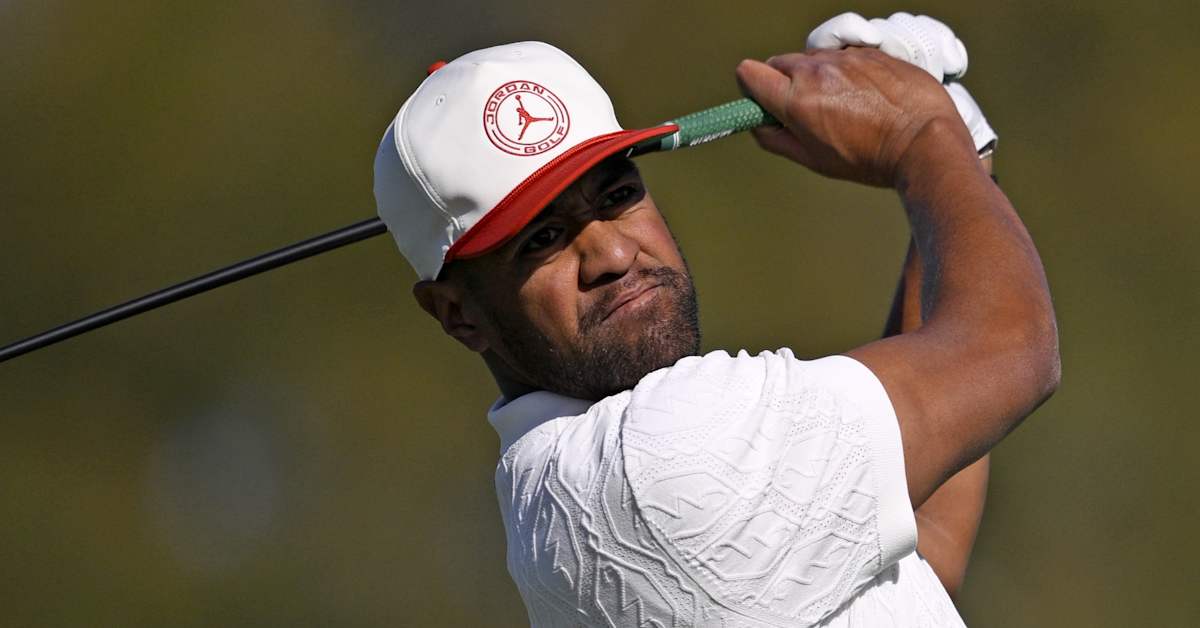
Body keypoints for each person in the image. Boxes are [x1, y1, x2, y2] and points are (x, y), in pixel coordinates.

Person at [373, 11, 1059, 627]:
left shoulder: (563, 487)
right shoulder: (649, 467)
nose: (610, 252)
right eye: (541, 240)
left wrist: (958, 156)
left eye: (616, 193)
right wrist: (922, 134)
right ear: (457, 314)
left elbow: (921, 542)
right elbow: (1010, 350)